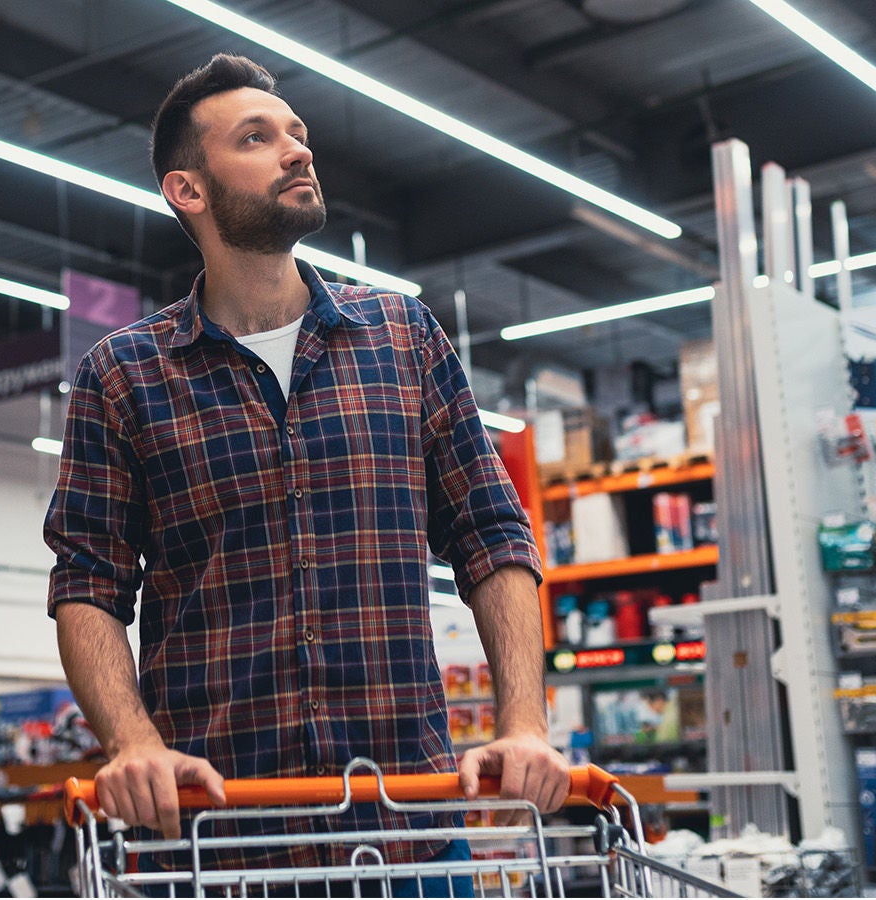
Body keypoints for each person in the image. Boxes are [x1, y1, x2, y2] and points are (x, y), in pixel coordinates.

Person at [44, 53, 569, 888]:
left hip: (409, 836)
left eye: (299, 135)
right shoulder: (125, 375)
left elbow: (491, 535)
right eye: (257, 138)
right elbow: (88, 584)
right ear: (189, 189)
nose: (297, 151)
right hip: (215, 849)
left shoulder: (402, 336)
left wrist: (525, 722)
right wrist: (133, 744)